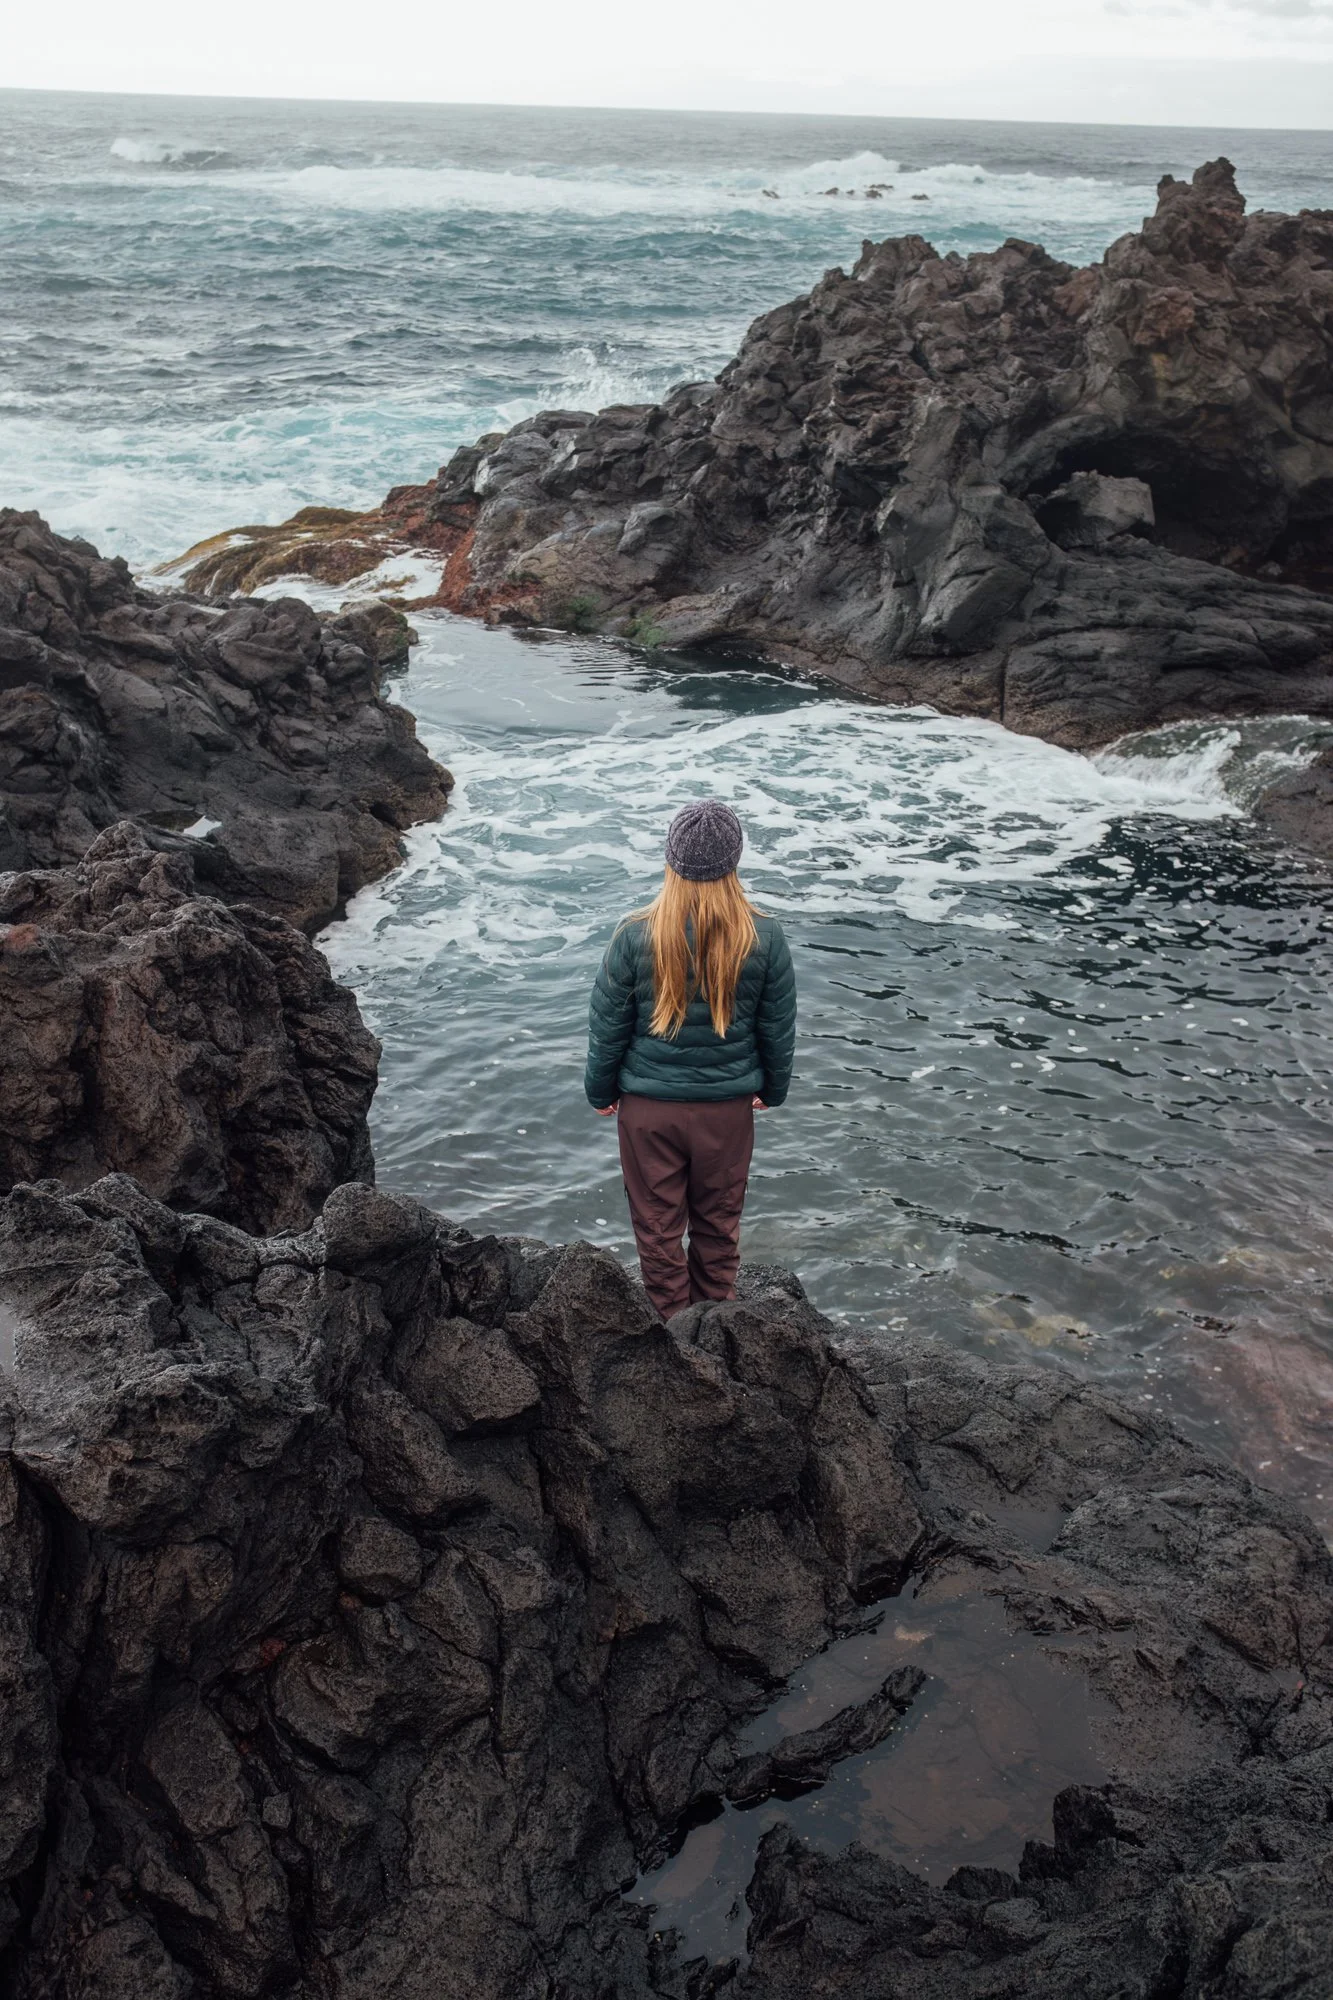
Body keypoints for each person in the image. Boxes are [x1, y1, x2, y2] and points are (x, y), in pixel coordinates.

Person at [584, 798, 796, 1319]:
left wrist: (601, 1093)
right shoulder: (763, 936)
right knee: (718, 1228)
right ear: (734, 861)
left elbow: (608, 1027)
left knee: (657, 1232)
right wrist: (772, 1090)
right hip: (726, 1110)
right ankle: (715, 1329)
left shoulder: (634, 934)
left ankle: (673, 1337)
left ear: (671, 860)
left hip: (647, 1111)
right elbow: (778, 1029)